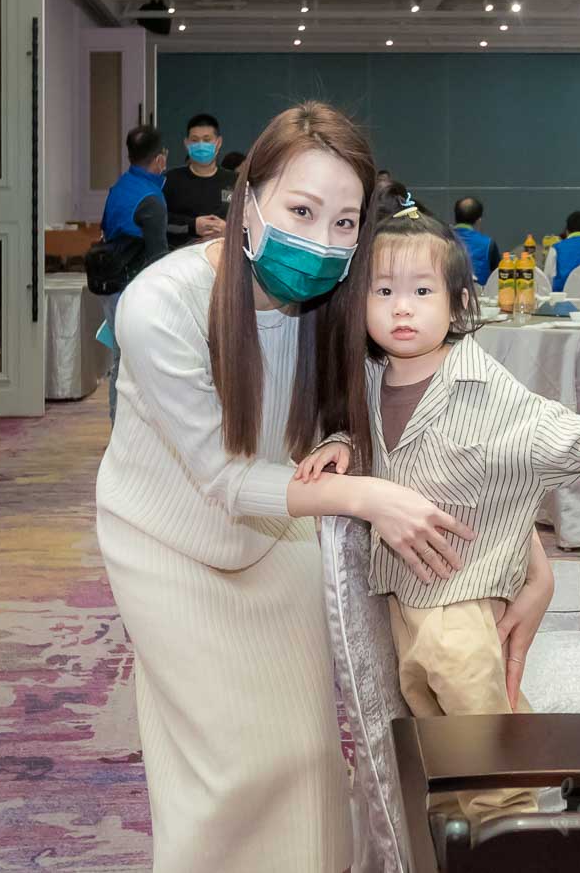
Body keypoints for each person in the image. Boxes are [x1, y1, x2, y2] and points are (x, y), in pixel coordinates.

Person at [95, 102, 555, 873]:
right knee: (225, 766)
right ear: (248, 199)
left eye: (345, 223)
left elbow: (437, 431)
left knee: (305, 756)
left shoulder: (343, 301)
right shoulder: (160, 305)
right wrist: (366, 497)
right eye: (301, 211)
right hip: (166, 542)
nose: (322, 241)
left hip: (280, 530)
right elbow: (222, 478)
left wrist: (526, 556)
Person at [298, 188, 580, 826]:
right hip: (404, 589)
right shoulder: (371, 377)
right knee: (431, 721)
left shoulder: (485, 386)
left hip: (463, 591)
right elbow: (362, 433)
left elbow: (559, 428)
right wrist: (339, 443)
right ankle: (460, 826)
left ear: (458, 304)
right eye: (383, 292)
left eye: (422, 291)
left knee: (478, 720)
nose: (401, 308)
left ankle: (505, 829)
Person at [99, 124, 170, 424]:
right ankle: (133, 432)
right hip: (134, 291)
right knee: (139, 366)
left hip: (111, 286)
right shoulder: (151, 198)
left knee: (120, 362)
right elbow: (158, 259)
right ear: (160, 159)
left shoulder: (119, 187)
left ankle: (118, 429)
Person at [163, 113, 234, 249]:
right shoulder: (170, 180)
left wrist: (229, 229)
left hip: (222, 255)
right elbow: (159, 222)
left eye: (207, 140)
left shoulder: (235, 181)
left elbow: (249, 221)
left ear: (218, 142)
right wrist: (192, 225)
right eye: (195, 140)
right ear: (186, 143)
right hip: (181, 255)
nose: (201, 145)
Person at [452, 196, 501, 285]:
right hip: (479, 293)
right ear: (478, 221)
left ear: (455, 217)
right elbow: (498, 276)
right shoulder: (488, 244)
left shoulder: (441, 240)